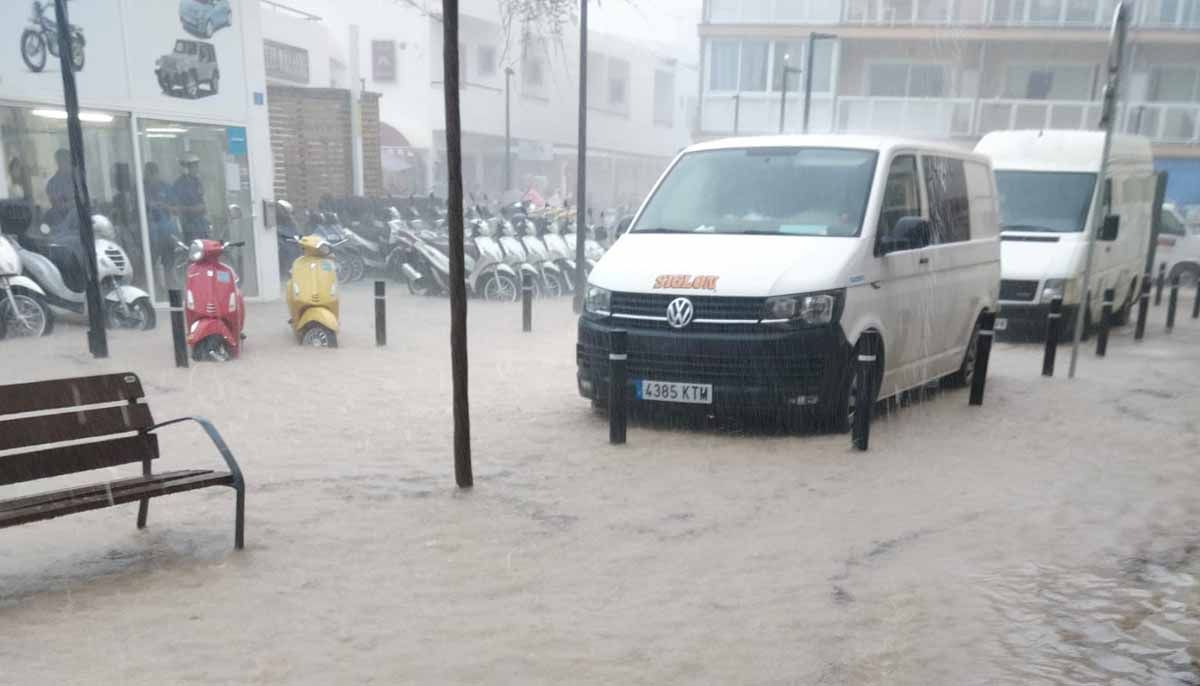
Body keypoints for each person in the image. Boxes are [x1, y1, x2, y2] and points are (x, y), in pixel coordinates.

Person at [143, 161, 178, 281]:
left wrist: (164, 206)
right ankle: (157, 286)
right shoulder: (142, 188)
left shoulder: (166, 187)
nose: (150, 178)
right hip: (151, 232)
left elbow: (176, 208)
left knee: (169, 261)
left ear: (156, 174)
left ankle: (171, 284)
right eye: (148, 175)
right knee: (152, 261)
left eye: (152, 175)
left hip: (166, 231)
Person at [172, 152, 208, 242]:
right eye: (194, 166)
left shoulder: (197, 181)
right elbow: (176, 207)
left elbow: (202, 200)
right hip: (189, 224)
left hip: (201, 222)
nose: (196, 169)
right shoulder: (179, 185)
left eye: (197, 166)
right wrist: (192, 209)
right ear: (185, 168)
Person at [44, 148, 73, 226]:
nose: (65, 163)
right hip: (60, 224)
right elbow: (57, 204)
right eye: (61, 160)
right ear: (58, 162)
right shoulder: (52, 184)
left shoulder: (78, 181)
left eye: (67, 160)